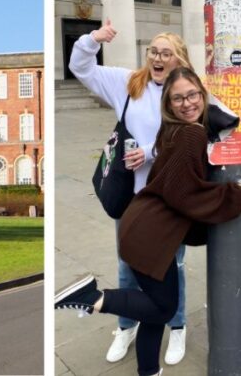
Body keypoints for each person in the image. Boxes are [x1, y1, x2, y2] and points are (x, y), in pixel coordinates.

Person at [54, 67, 241, 376]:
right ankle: (92, 298)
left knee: (153, 309)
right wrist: (236, 196)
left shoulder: (172, 129)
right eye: (178, 98)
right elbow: (183, 193)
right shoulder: (191, 133)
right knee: (163, 307)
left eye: (193, 95)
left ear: (203, 94)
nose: (187, 103)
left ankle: (149, 370)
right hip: (151, 235)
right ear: (168, 103)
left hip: (141, 226)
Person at [68, 19, 191, 364]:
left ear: (179, 59)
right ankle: (126, 326)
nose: (157, 57)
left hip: (170, 199)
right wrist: (94, 38)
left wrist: (152, 151)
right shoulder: (129, 83)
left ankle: (177, 327)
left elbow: (197, 137)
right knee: (127, 266)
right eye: (153, 50)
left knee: (174, 266)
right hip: (132, 198)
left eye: (166, 53)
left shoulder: (185, 91)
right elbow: (81, 67)